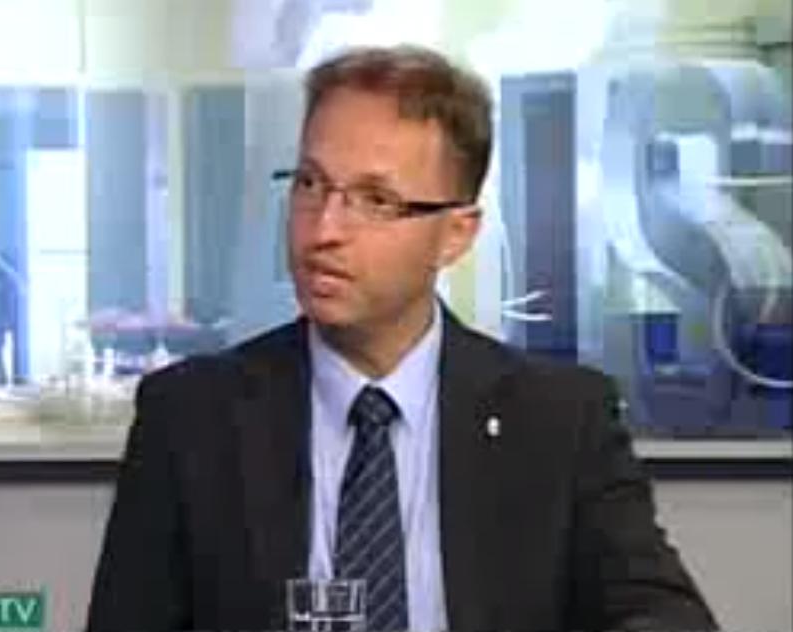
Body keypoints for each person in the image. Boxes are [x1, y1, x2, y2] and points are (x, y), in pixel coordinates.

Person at [86, 45, 716, 632]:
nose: (324, 229)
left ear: (456, 234)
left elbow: (665, 619)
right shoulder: (191, 418)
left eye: (375, 200)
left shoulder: (560, 421)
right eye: (310, 184)